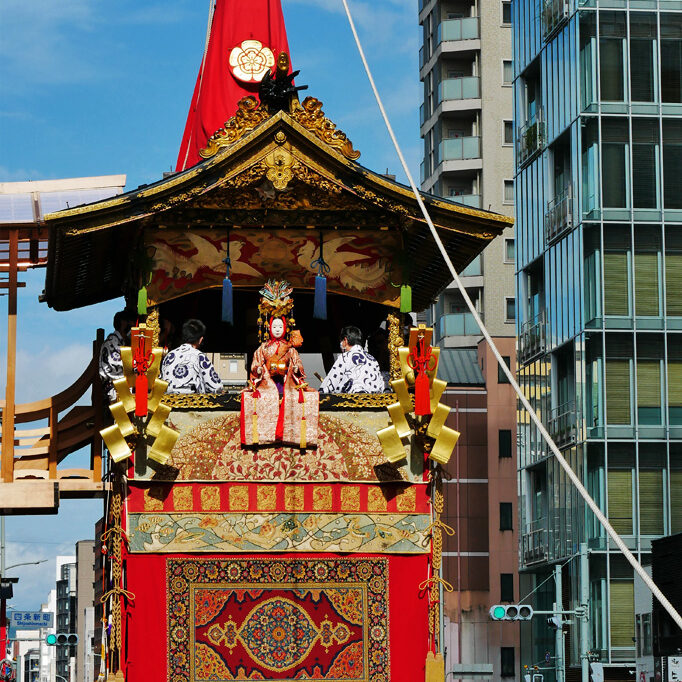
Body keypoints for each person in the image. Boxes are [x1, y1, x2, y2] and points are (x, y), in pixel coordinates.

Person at [161, 319, 223, 394]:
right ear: (201, 340)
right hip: (191, 402)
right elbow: (215, 387)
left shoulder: (169, 355)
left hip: (167, 403)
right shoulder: (199, 356)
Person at [320, 326, 386, 393]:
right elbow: (381, 384)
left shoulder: (344, 357)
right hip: (373, 401)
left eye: (341, 341)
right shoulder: (372, 359)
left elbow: (332, 382)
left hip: (352, 400)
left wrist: (321, 391)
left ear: (345, 341)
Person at [99, 310, 134, 403]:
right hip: (116, 389)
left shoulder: (121, 342)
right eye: (131, 324)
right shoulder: (111, 342)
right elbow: (119, 365)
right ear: (123, 323)